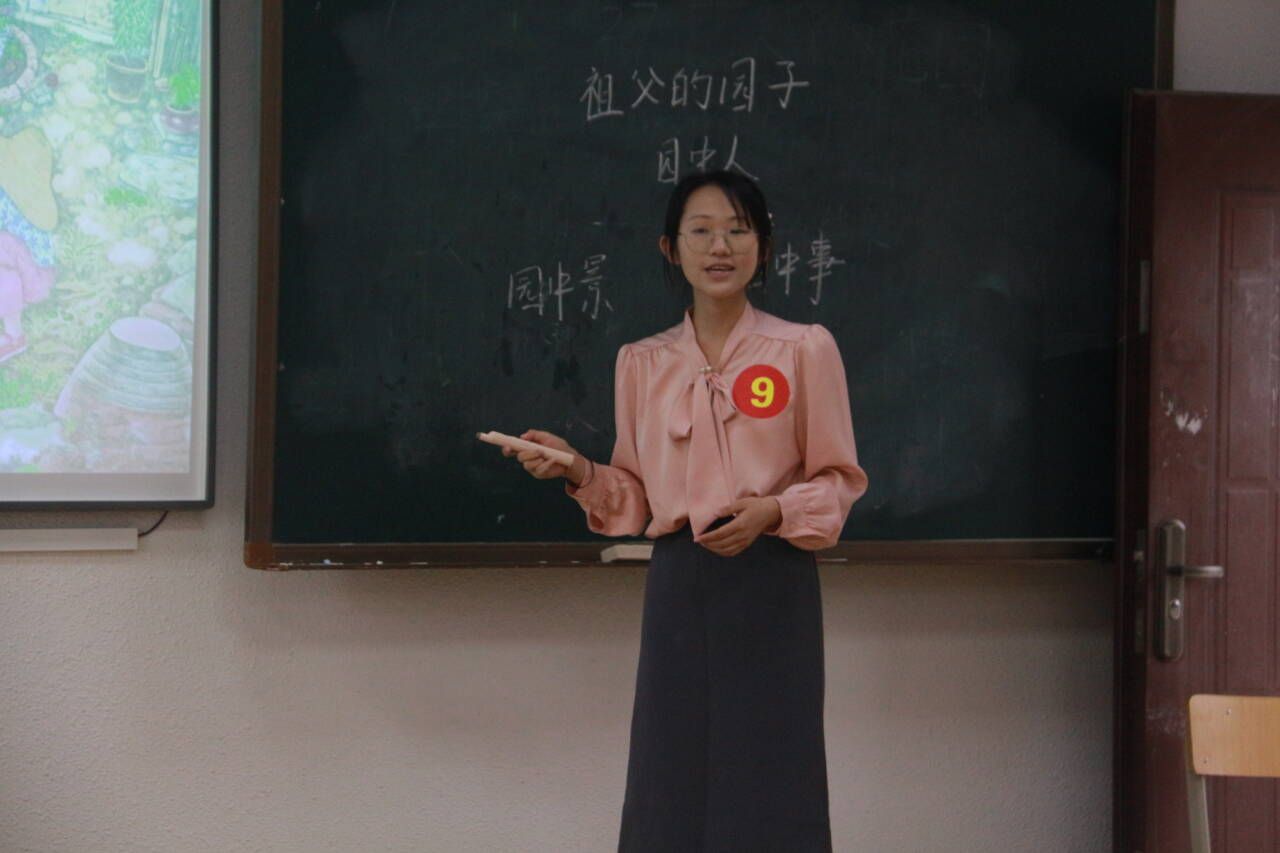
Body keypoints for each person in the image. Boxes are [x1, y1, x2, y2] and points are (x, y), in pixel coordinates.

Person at [503, 170, 868, 852]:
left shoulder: (803, 348)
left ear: (764, 246)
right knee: (669, 769)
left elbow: (839, 478)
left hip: (772, 577)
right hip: (679, 581)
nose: (719, 247)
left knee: (773, 766)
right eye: (700, 231)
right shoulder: (641, 363)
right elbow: (636, 494)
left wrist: (773, 511)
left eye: (737, 230)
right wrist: (576, 468)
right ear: (670, 248)